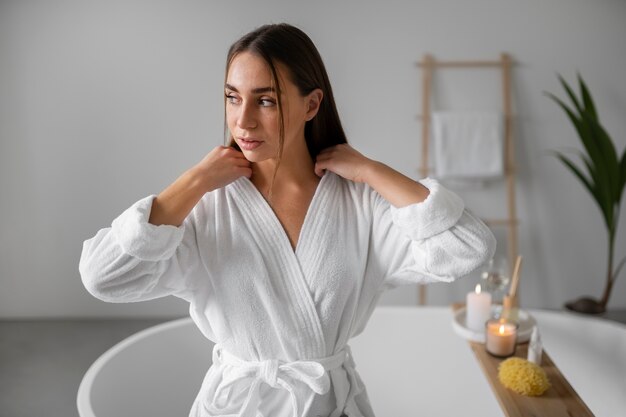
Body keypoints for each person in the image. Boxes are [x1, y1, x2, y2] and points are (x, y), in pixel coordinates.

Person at [79, 23, 496, 417]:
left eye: (265, 100)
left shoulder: (359, 203)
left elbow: (468, 248)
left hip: (330, 404)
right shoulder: (207, 208)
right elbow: (103, 277)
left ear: (312, 104)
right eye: (232, 97)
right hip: (240, 406)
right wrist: (193, 181)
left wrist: (372, 170)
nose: (243, 121)